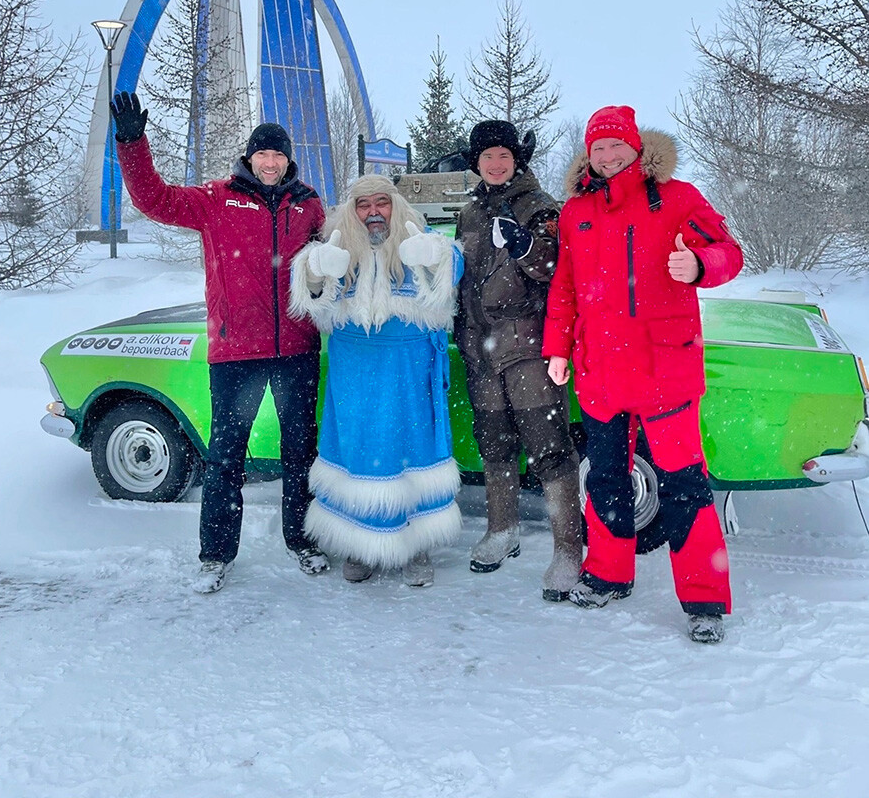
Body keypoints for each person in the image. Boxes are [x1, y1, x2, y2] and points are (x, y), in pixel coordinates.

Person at [109, 91, 327, 594]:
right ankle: (215, 554)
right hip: (236, 354)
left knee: (301, 453)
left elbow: (337, 257)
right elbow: (154, 200)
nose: (270, 162)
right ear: (250, 156)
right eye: (263, 153)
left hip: (297, 348)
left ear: (289, 160)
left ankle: (304, 541)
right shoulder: (216, 200)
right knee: (226, 456)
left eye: (279, 154)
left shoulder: (309, 205)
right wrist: (131, 141)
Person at [543, 105, 744, 643]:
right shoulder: (576, 212)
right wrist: (557, 348)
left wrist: (700, 266)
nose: (607, 157)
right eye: (598, 148)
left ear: (636, 147)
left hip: (664, 370)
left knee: (683, 483)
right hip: (599, 371)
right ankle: (608, 574)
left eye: (616, 146)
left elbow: (729, 252)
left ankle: (705, 599)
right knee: (606, 478)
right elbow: (564, 287)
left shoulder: (677, 198)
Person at [289, 174, 463, 586]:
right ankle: (359, 545)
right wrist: (314, 272)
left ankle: (416, 546)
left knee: (412, 452)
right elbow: (314, 300)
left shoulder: (416, 235)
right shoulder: (337, 244)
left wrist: (435, 254)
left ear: (394, 205)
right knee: (358, 454)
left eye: (380, 203)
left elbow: (453, 268)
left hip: (409, 371)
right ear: (352, 210)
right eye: (363, 205)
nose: (373, 213)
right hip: (355, 376)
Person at [455, 120, 582, 602]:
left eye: (503, 155)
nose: (495, 163)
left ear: (516, 160)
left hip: (527, 347)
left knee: (549, 447)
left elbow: (558, 271)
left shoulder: (539, 206)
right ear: (476, 163)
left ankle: (568, 549)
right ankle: (501, 529)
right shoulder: (468, 215)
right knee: (495, 445)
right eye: (486, 156)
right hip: (479, 349)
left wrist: (529, 247)